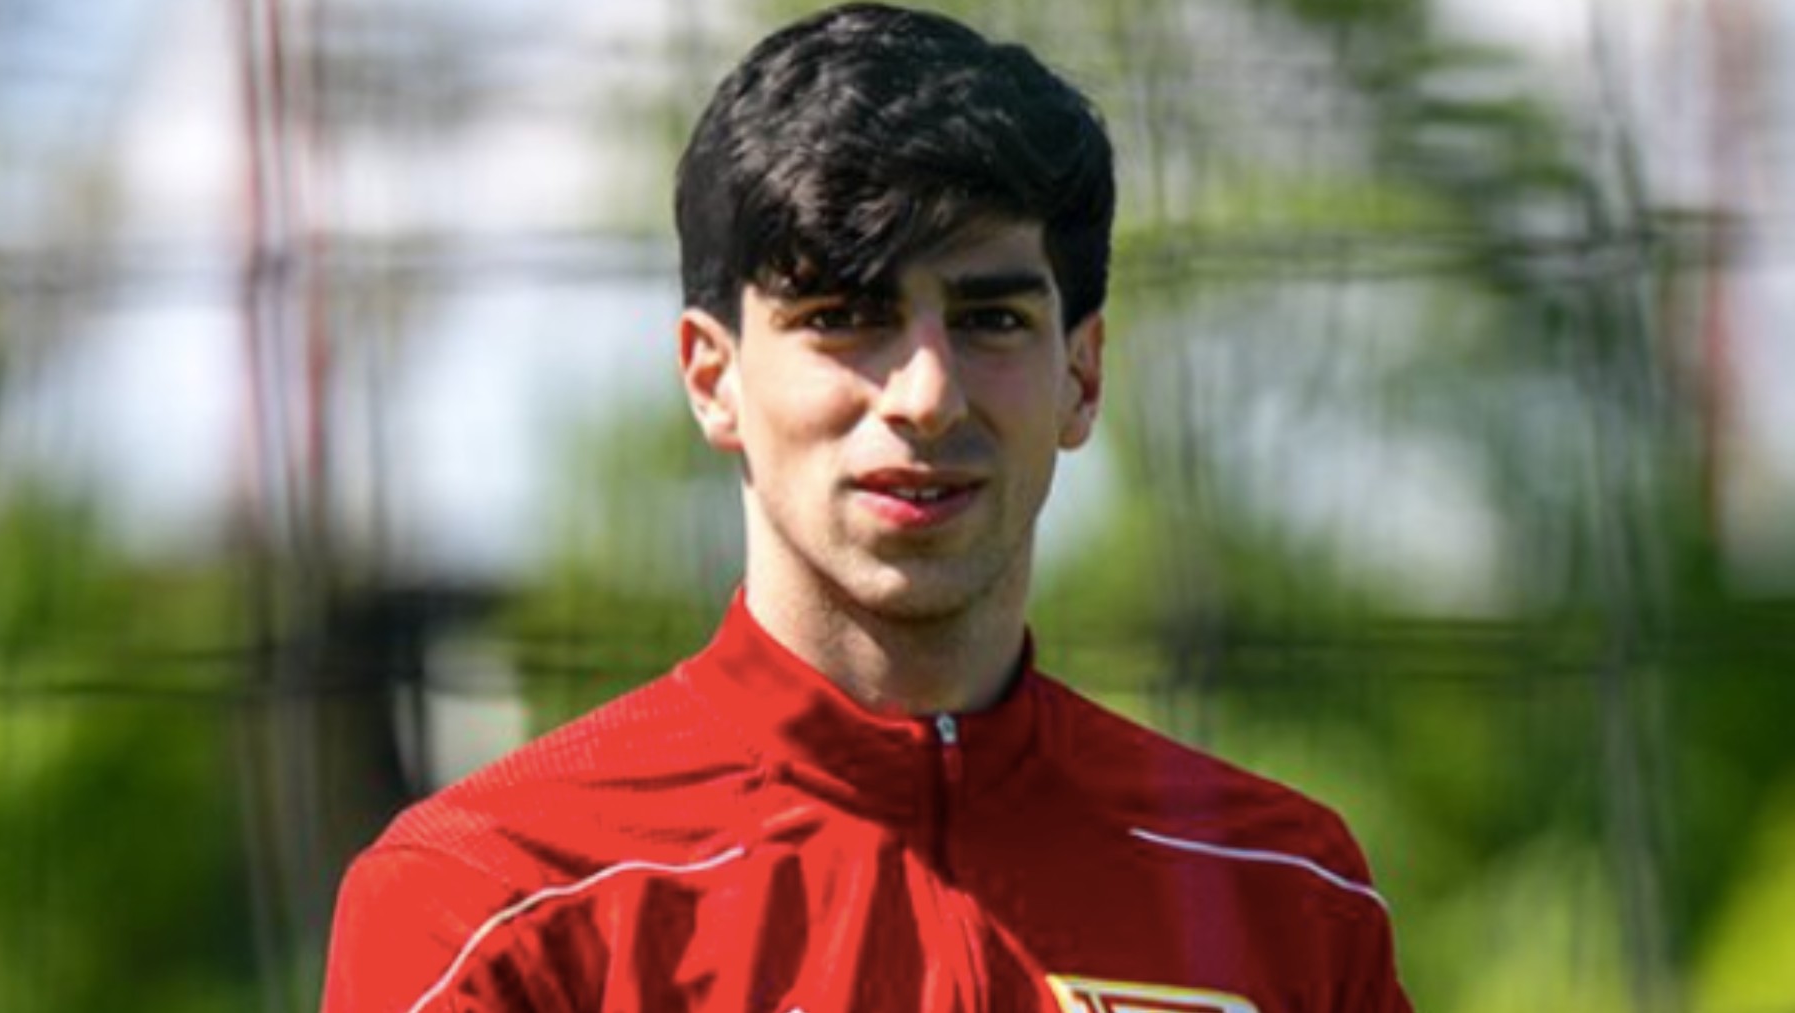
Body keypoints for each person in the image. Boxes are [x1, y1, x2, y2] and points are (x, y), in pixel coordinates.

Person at [322, 4, 1412, 1010]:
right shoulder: (491, 899)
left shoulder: (1284, 891)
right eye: (845, 314)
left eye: (990, 320)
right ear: (713, 377)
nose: (927, 394)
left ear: (1082, 378)